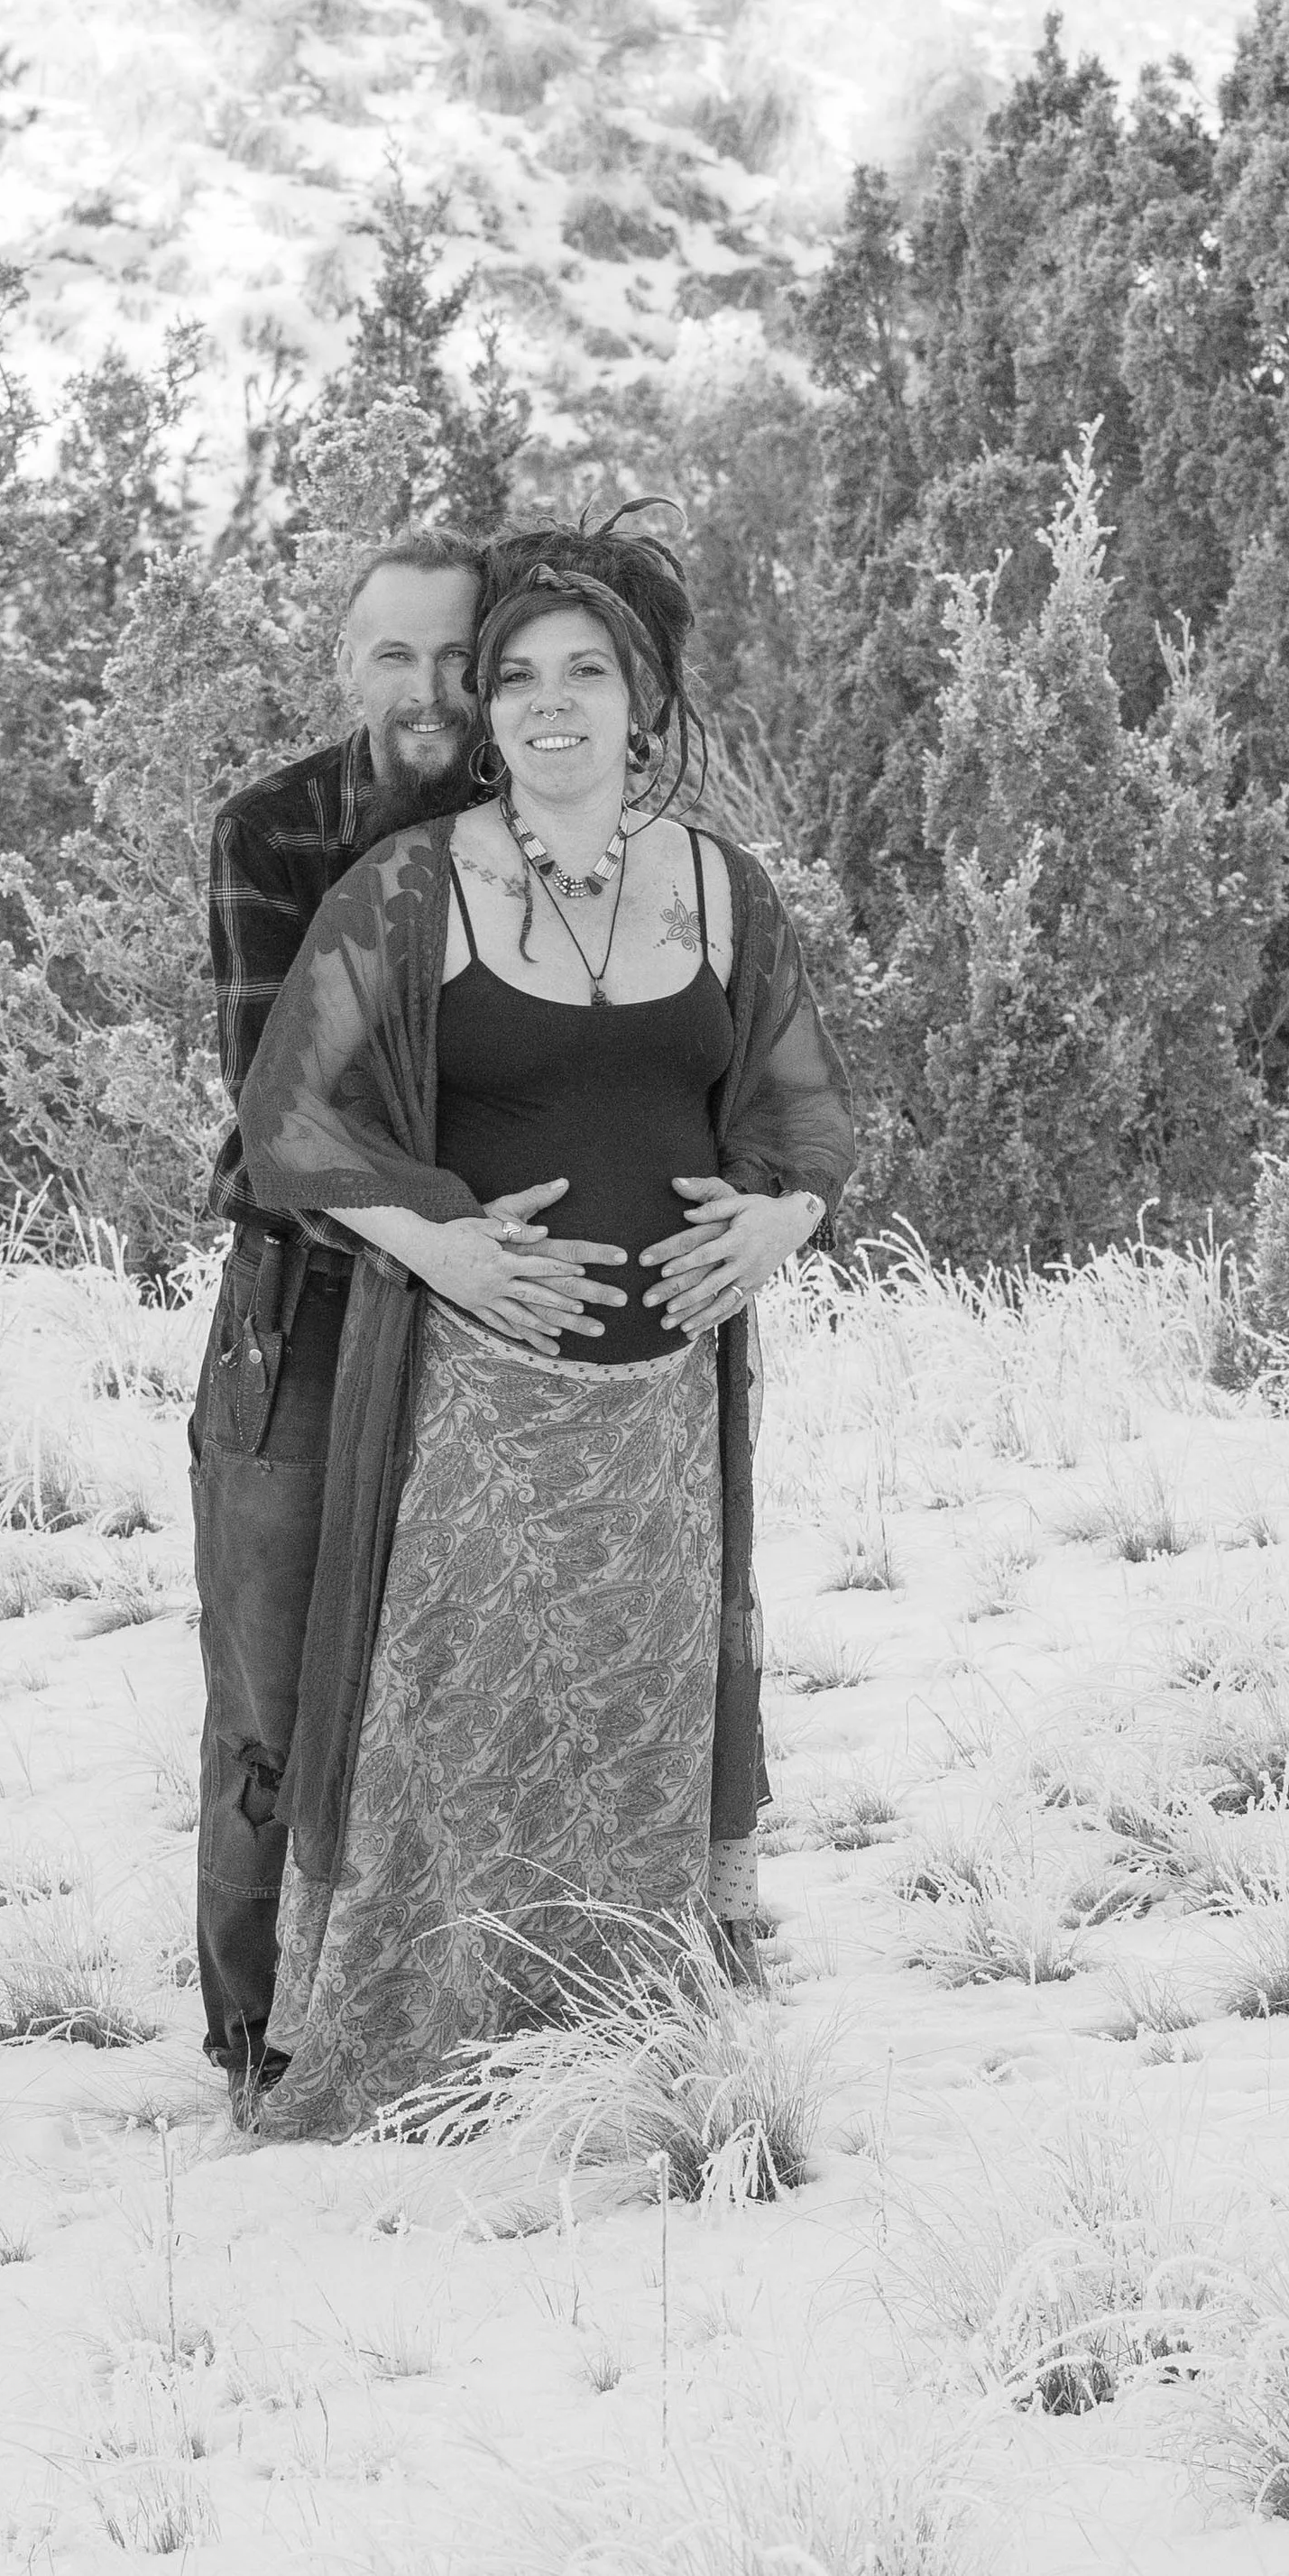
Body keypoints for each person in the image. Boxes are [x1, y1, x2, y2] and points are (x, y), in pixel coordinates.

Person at [236, 521, 856, 2138]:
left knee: (636, 1725)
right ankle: (432, 2053)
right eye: (516, 676)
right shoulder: (407, 888)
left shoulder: (726, 889)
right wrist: (442, 1240)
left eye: (587, 672)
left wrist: (783, 1220)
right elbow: (288, 1117)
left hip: (664, 1411)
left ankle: (623, 2039)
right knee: (457, 1725)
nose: (547, 702)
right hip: (470, 1403)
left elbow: (803, 1111)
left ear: (643, 701)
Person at [189, 529, 625, 2104]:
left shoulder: (553, 828)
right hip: (307, 1308)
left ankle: (459, 2018)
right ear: (344, 665)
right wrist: (438, 1228)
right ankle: (259, 2042)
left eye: (461, 658)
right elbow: (267, 1126)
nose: (430, 691)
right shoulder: (276, 832)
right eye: (394, 657)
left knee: (478, 1687)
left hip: (508, 1324)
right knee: (277, 1691)